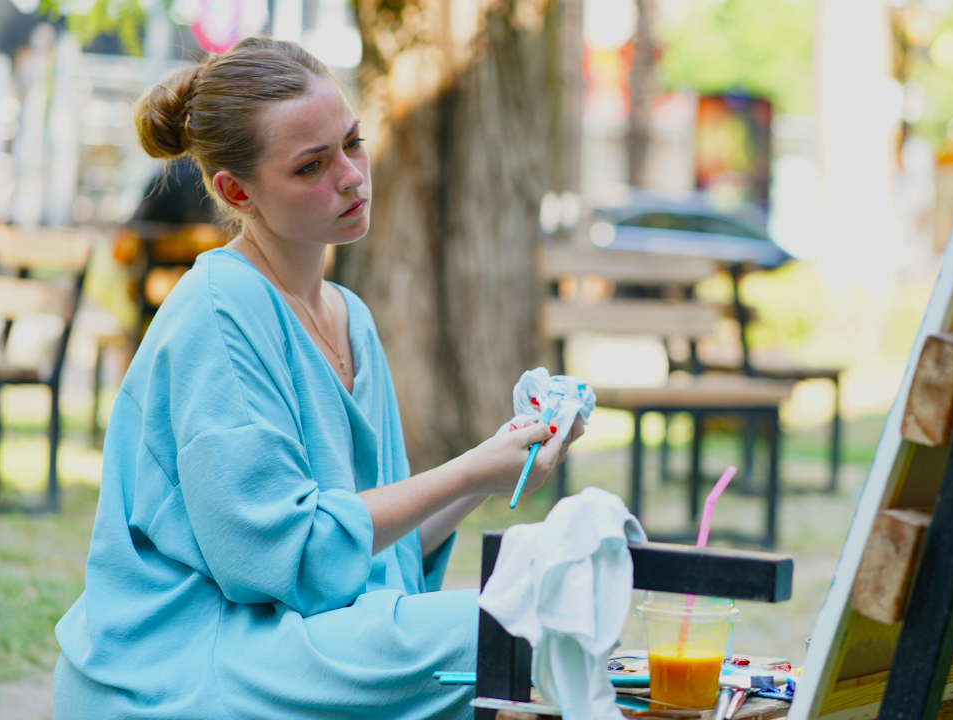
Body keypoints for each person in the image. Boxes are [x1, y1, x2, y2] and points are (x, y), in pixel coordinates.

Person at [53, 37, 582, 719]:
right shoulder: (219, 310)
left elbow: (361, 554)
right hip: (188, 657)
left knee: (536, 607)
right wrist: (470, 468)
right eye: (312, 166)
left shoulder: (349, 315)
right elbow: (284, 560)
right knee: (491, 631)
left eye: (353, 143)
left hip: (295, 636)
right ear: (236, 190)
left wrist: (494, 469)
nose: (352, 176)